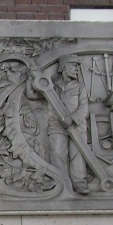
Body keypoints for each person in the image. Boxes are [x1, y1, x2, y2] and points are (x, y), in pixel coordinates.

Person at [42, 56, 91, 195]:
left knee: (77, 154)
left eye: (77, 66)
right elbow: (33, 95)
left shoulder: (80, 87)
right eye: (74, 65)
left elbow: (84, 108)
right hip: (56, 125)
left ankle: (79, 183)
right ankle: (61, 182)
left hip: (77, 125)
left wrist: (72, 119)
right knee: (57, 152)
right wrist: (29, 80)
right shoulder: (53, 85)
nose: (77, 69)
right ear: (63, 67)